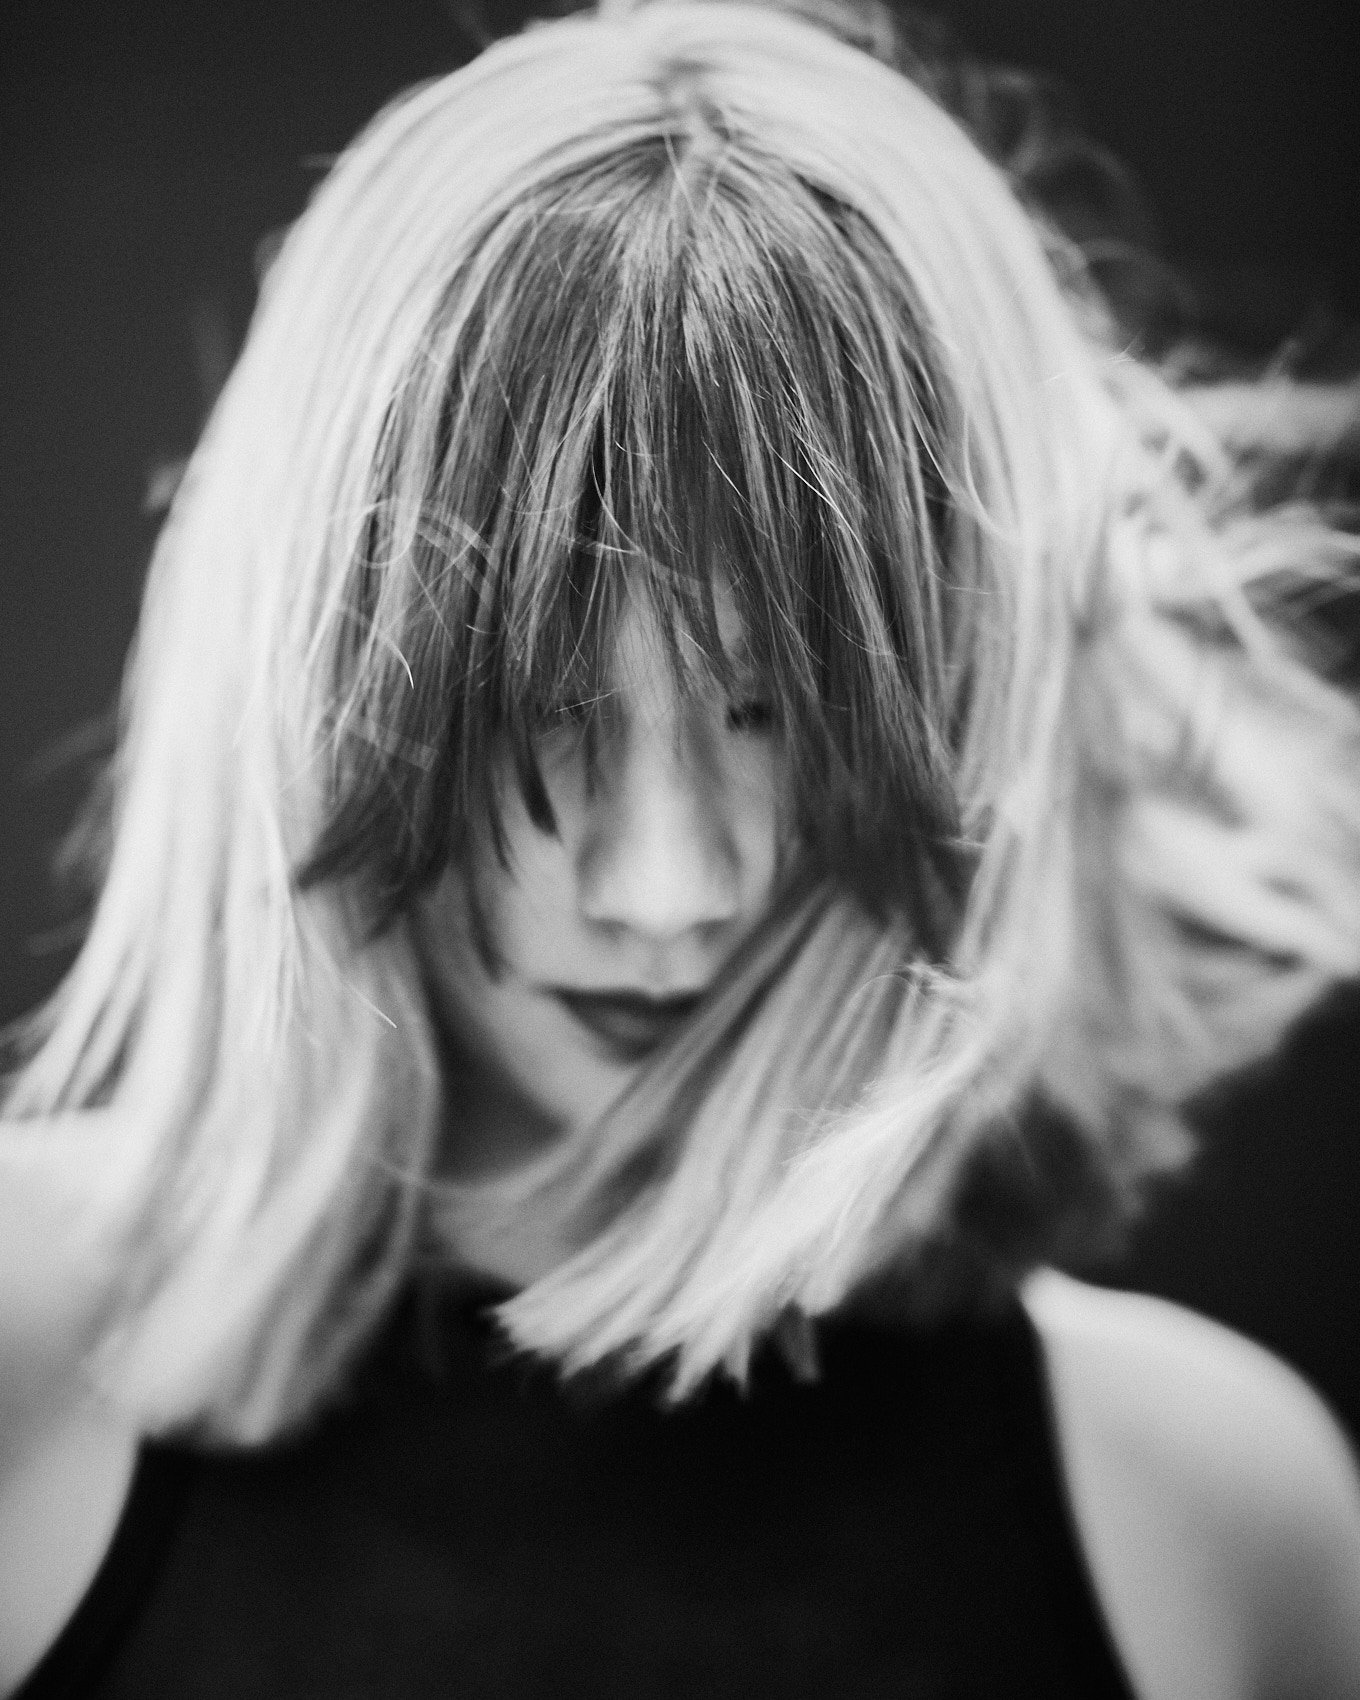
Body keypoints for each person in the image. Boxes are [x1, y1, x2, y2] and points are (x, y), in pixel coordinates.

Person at [2, 0, 1359, 1693]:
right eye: (538, 708)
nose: (668, 891)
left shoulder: (1219, 1521)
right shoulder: (21, 1364)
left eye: (784, 712)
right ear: (321, 688)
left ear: (987, 703)